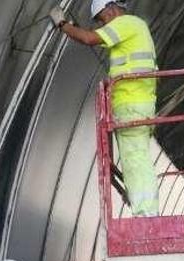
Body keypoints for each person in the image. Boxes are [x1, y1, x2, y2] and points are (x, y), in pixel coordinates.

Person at [51, 0, 159, 217]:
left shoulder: (127, 23)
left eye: (102, 18)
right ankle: (145, 209)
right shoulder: (134, 29)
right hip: (139, 103)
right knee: (135, 158)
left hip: (131, 104)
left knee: (135, 160)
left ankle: (146, 215)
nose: (102, 24)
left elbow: (88, 38)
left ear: (112, 8)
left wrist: (62, 23)